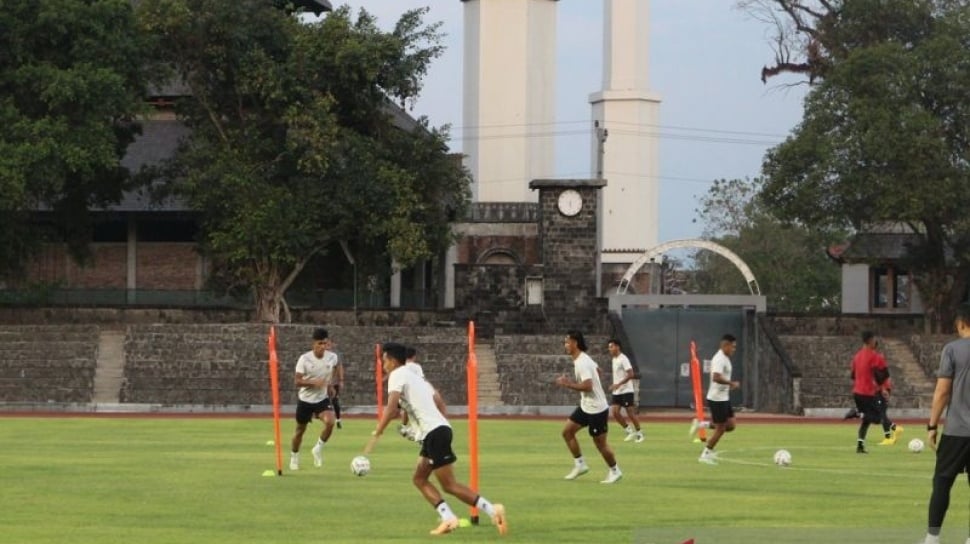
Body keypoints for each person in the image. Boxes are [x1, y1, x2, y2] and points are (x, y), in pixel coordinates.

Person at [366, 342, 507, 536]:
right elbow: (436, 399)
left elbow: (391, 408)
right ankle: (448, 518)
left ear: (391, 360)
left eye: (384, 360)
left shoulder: (397, 375)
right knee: (419, 478)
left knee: (449, 485)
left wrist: (378, 430)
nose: (383, 365)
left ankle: (492, 510)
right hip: (435, 432)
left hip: (434, 433)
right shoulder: (415, 376)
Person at [918, 304, 970, 544]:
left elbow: (942, 391)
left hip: (957, 430)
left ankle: (932, 538)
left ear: (962, 324)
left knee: (942, 482)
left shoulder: (952, 349)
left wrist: (932, 426)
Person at [554, 330, 623, 483]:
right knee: (567, 432)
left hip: (597, 409)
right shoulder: (583, 359)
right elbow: (598, 370)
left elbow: (588, 386)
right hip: (586, 406)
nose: (565, 345)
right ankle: (580, 465)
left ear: (575, 343)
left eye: (567, 342)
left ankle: (615, 470)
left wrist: (568, 384)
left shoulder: (582, 362)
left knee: (600, 444)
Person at [289, 327, 339, 470]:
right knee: (300, 431)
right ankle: (294, 456)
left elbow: (333, 370)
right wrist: (313, 382)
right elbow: (297, 381)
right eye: (319, 344)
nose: (322, 347)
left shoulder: (332, 357)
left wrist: (330, 385)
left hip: (321, 399)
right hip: (305, 400)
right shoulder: (304, 359)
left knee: (330, 422)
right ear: (313, 344)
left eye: (324, 343)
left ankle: (317, 448)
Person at [692, 334, 740, 465]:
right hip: (717, 399)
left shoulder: (725, 358)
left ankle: (702, 424)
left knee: (731, 425)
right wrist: (731, 383)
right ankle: (706, 454)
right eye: (733, 347)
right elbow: (716, 377)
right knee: (721, 428)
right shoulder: (719, 359)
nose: (734, 350)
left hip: (724, 397)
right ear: (725, 345)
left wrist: (728, 387)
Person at [849, 331, 893, 453]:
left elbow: (852, 375)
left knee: (866, 421)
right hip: (868, 393)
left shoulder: (856, 356)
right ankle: (857, 413)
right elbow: (884, 374)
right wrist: (883, 389)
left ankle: (860, 446)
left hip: (857, 393)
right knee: (878, 418)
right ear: (870, 341)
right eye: (874, 340)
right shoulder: (875, 356)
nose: (876, 342)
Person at [607, 338, 643, 443]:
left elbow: (631, 374)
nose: (610, 349)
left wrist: (618, 384)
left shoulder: (624, 359)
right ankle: (629, 430)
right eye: (609, 347)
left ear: (617, 347)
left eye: (611, 346)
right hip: (617, 391)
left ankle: (639, 433)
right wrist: (615, 386)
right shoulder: (614, 359)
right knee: (615, 412)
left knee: (630, 413)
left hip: (626, 390)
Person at [325, 337, 345, 429]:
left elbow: (339, 367)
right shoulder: (322, 355)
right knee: (323, 401)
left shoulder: (335, 355)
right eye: (326, 344)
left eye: (329, 344)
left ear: (332, 345)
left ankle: (338, 419)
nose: (327, 346)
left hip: (334, 382)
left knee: (334, 400)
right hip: (323, 382)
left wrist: (340, 380)